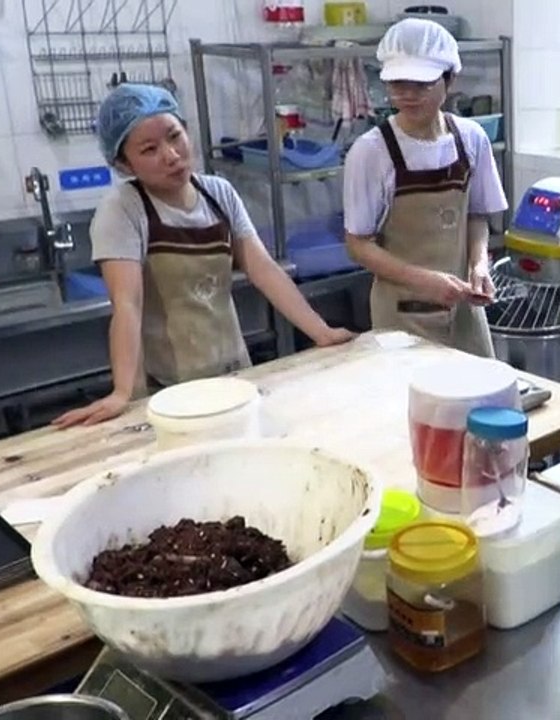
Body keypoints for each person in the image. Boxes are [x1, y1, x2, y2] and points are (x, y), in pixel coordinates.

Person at [53, 84, 355, 428]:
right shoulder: (123, 209)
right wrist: (123, 393)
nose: (171, 155)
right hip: (169, 391)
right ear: (124, 164)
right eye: (149, 149)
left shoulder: (218, 193)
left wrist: (321, 332)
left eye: (174, 136)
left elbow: (264, 270)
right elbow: (127, 304)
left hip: (235, 377)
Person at [343, 18, 508, 357]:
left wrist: (479, 265)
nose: (407, 95)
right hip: (400, 318)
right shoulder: (371, 151)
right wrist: (424, 281)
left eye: (421, 84)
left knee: (478, 388)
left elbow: (476, 215)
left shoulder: (471, 139)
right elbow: (358, 244)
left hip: (464, 311)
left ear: (450, 79)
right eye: (397, 84)